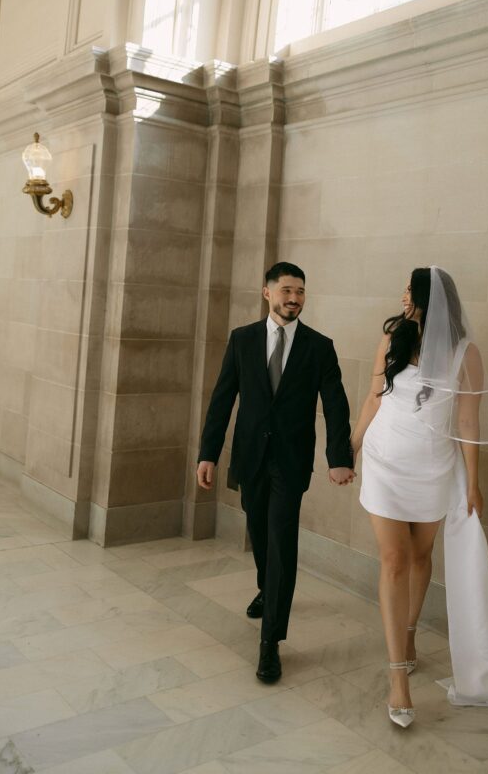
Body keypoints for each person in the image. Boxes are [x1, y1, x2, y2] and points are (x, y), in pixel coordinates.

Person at [351, 266, 488, 727]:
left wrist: (473, 482)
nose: (403, 298)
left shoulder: (466, 353)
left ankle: (408, 634)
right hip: (385, 462)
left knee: (422, 556)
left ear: (430, 299)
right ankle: (397, 680)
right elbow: (373, 398)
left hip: (432, 468)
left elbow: (467, 423)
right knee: (394, 559)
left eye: (410, 291)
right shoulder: (392, 341)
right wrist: (351, 446)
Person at [196, 262, 355, 683]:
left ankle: (270, 644)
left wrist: (339, 456)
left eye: (301, 291)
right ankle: (268, 587)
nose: (295, 298)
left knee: (282, 538)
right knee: (260, 531)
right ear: (267, 292)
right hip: (250, 457)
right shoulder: (242, 339)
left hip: (291, 460)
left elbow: (336, 404)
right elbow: (222, 398)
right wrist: (208, 454)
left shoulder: (319, 346)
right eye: (287, 290)